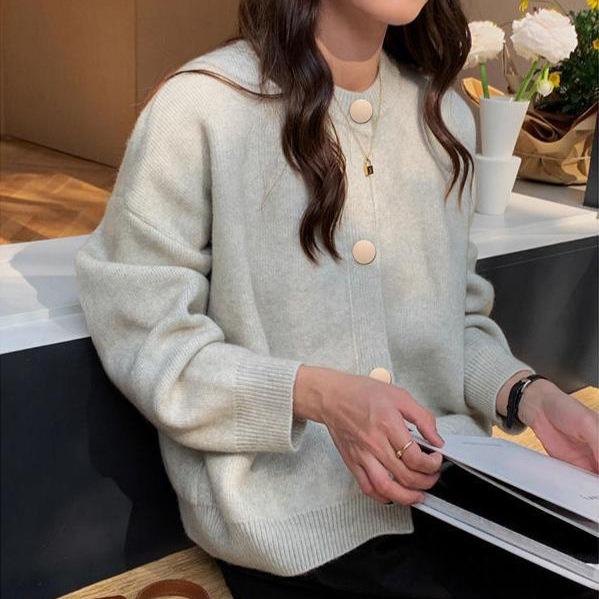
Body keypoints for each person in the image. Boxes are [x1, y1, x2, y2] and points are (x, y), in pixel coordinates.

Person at [74, 0, 599, 597]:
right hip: (289, 521)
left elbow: (453, 324)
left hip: (452, 492)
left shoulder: (443, 115)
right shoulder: (201, 109)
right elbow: (147, 337)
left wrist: (531, 396)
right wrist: (319, 396)